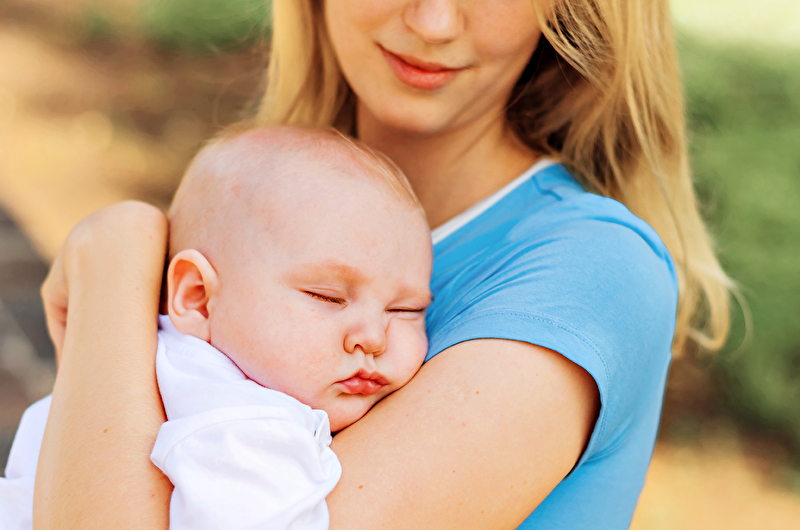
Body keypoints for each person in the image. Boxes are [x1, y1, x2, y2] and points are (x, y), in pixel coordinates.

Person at [33, 1, 732, 528]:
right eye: (326, 295)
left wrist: (115, 257)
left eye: (407, 309)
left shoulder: (593, 272)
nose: (432, 21)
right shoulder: (260, 213)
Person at [2, 125, 433, 529]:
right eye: (328, 297)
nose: (373, 338)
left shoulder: (129, 351)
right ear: (197, 297)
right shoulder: (250, 432)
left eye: (406, 310)